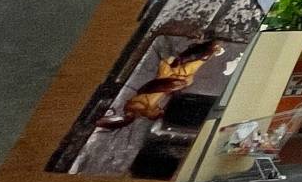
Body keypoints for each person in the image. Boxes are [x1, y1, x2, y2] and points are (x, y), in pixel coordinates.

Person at [95, 38, 223, 129]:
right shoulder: (150, 108)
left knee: (185, 69)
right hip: (170, 76)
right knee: (189, 70)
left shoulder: (140, 108)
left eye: (158, 111)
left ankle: (207, 48)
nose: (159, 110)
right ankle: (208, 49)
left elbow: (138, 103)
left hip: (165, 75)